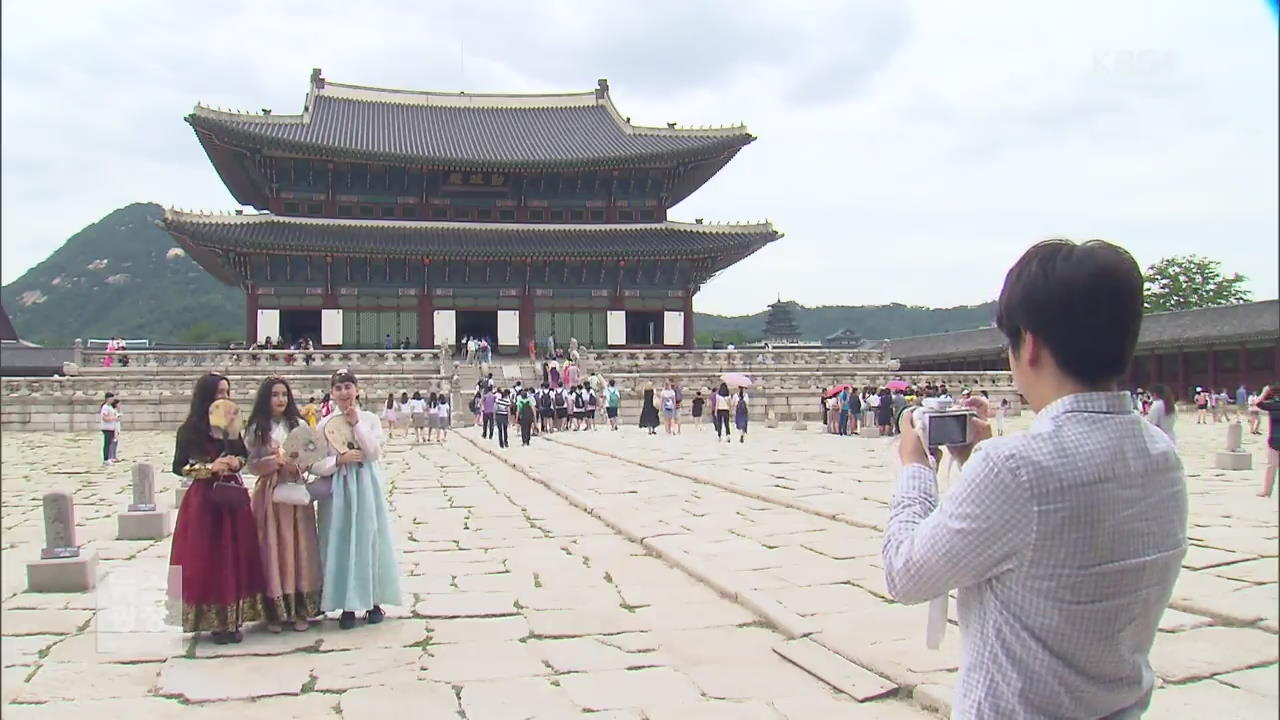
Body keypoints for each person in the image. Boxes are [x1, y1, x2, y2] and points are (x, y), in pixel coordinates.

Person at [882, 239, 1186, 718]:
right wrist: (977, 454)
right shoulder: (1162, 454)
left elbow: (904, 573)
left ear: (1031, 343)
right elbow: (1060, 527)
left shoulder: (1012, 468)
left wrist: (916, 467)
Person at [168, 373, 268, 644]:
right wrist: (208, 468)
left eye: (227, 392)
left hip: (232, 495)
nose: (224, 398)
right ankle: (213, 620)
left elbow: (243, 455)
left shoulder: (232, 425)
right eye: (219, 393)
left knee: (234, 555)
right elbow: (179, 466)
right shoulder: (189, 430)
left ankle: (234, 618)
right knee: (208, 557)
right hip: (205, 499)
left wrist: (234, 462)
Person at [309, 369, 401, 630]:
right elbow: (314, 463)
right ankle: (345, 604)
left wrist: (356, 424)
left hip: (364, 485)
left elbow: (373, 452)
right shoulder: (324, 424)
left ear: (357, 390)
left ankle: (373, 601)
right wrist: (338, 460)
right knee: (339, 539)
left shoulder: (370, 419)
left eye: (348, 386)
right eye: (338, 388)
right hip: (338, 487)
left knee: (368, 538)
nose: (344, 393)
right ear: (332, 392)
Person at [244, 377, 322, 633]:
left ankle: (301, 608)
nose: (280, 400)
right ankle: (275, 611)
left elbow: (310, 458)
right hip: (269, 492)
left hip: (295, 491)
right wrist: (273, 462)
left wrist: (296, 463)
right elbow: (251, 463)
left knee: (300, 547)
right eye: (275, 395)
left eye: (284, 395)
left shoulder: (298, 425)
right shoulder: (257, 428)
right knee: (273, 547)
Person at [1256, 385, 1279, 498]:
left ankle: (1267, 491)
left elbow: (1258, 403)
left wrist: (1264, 392)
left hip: (1274, 439)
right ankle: (1266, 491)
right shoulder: (1273, 404)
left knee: (1271, 467)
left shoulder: (1273, 405)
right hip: (1274, 439)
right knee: (1271, 467)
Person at [99, 393, 121, 465]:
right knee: (107, 444)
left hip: (112, 428)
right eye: (111, 399)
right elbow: (104, 418)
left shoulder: (110, 407)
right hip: (107, 428)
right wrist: (114, 418)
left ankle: (109, 458)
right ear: (107, 399)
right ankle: (106, 459)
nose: (112, 400)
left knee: (110, 443)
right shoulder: (105, 407)